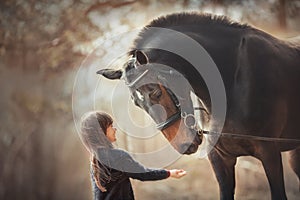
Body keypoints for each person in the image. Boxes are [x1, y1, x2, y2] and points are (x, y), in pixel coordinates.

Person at [79, 111, 187, 200]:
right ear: (101, 132)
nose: (115, 129)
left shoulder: (95, 160)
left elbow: (98, 195)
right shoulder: (118, 156)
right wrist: (169, 173)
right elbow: (143, 174)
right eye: (111, 126)